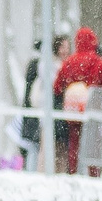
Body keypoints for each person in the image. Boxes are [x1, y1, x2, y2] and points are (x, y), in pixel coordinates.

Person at [52, 27, 102, 173]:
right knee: (94, 143)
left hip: (74, 109)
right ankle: (93, 172)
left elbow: (57, 87)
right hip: (93, 109)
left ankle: (73, 170)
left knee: (74, 142)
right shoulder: (99, 63)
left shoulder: (69, 62)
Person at [20, 31, 71, 169]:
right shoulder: (46, 65)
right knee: (46, 146)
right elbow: (53, 86)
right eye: (63, 47)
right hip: (50, 111)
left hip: (61, 113)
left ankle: (57, 175)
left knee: (60, 149)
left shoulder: (64, 65)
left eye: (67, 47)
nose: (65, 51)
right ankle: (42, 173)